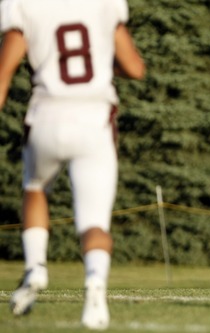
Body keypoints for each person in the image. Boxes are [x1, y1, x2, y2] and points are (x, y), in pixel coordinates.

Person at [0, 0, 145, 329]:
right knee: (94, 223)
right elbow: (135, 67)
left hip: (47, 113)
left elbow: (4, 74)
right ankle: (95, 284)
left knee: (35, 188)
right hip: (94, 118)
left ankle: (35, 267)